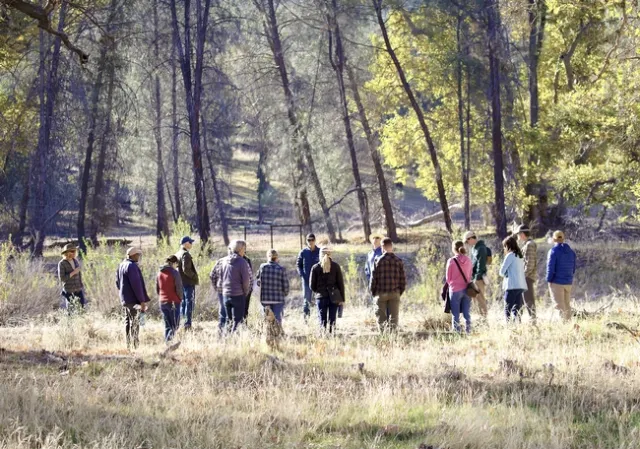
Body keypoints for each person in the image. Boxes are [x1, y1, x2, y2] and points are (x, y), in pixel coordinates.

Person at [116, 247, 151, 349]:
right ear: (133, 255)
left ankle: (128, 345)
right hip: (133, 300)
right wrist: (142, 301)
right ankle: (135, 345)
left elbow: (117, 282)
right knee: (135, 321)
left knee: (128, 322)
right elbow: (137, 285)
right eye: (138, 255)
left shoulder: (121, 265)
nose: (139, 257)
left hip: (125, 300)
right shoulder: (132, 266)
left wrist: (123, 293)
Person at [369, 237, 406, 331]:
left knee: (381, 320)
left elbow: (373, 279)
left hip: (381, 293)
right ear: (391, 246)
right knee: (394, 320)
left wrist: (373, 292)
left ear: (382, 247)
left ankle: (384, 339)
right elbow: (402, 280)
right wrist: (399, 292)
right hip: (394, 293)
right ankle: (393, 340)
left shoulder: (378, 260)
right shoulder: (399, 261)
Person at [309, 247, 345, 333]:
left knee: (322, 320)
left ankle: (323, 338)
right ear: (330, 254)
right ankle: (332, 337)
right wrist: (342, 299)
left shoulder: (315, 267)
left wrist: (318, 292)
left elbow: (311, 285)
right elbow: (340, 284)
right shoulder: (336, 266)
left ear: (320, 255)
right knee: (332, 320)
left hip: (321, 297)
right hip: (334, 297)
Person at [220, 240, 253, 331]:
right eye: (244, 249)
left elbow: (221, 277)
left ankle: (226, 338)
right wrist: (245, 293)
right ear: (240, 249)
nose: (245, 251)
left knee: (228, 320)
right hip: (238, 295)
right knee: (238, 320)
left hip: (226, 294)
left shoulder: (224, 260)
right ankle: (233, 339)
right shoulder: (242, 262)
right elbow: (246, 281)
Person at [546, 230, 577, 322]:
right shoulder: (571, 252)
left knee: (559, 306)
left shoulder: (553, 251)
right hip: (568, 282)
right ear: (563, 239)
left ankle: (562, 328)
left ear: (554, 239)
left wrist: (549, 280)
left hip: (557, 282)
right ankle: (569, 325)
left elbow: (550, 268)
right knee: (567, 305)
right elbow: (574, 268)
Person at [445, 240, 473, 334]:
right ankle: (468, 331)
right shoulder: (468, 260)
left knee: (455, 314)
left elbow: (448, 279)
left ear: (454, 249)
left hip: (455, 290)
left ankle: (457, 333)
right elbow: (470, 275)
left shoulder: (451, 261)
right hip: (467, 290)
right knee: (466, 313)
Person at [256, 249, 290, 324]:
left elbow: (258, 281)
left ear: (268, 257)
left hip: (265, 299)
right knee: (277, 319)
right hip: (278, 299)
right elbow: (286, 286)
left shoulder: (262, 267)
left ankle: (267, 334)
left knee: (267, 319)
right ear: (277, 258)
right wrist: (285, 294)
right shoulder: (281, 269)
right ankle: (277, 334)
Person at [499, 236, 528, 322]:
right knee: (517, 309)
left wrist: (507, 273)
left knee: (507, 308)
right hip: (520, 285)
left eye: (504, 246)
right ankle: (517, 325)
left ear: (508, 246)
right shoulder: (519, 256)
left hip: (511, 286)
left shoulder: (510, 256)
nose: (504, 248)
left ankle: (508, 326)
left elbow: (501, 271)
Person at [156, 255, 183, 343]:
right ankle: (168, 342)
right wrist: (181, 298)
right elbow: (179, 288)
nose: (177, 266)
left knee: (168, 325)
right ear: (173, 263)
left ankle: (167, 343)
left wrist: (162, 297)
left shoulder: (159, 272)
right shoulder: (175, 273)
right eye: (177, 264)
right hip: (173, 301)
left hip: (162, 301)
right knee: (175, 325)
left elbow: (157, 288)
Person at [463, 231, 489, 319]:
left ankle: (484, 319)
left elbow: (481, 265)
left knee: (480, 298)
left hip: (479, 278)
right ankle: (481, 318)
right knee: (476, 300)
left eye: (467, 241)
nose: (467, 243)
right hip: (475, 277)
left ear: (471, 238)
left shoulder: (481, 248)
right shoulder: (475, 248)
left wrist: (476, 278)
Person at [176, 236, 199, 330]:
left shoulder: (177, 253)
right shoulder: (185, 254)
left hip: (180, 282)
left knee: (183, 303)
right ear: (186, 244)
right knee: (189, 303)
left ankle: (183, 322)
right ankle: (187, 324)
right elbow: (186, 270)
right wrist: (194, 276)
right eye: (190, 242)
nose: (192, 244)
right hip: (188, 282)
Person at [517, 225, 537, 323]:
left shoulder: (529, 245)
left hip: (527, 277)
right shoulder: (527, 244)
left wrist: (523, 276)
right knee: (523, 300)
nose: (518, 237)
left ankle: (533, 320)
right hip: (525, 277)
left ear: (523, 234)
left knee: (529, 300)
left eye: (519, 234)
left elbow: (530, 263)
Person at [296, 233, 320, 319]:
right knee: (307, 301)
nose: (310, 242)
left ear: (315, 240)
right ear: (306, 241)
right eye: (308, 240)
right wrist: (302, 275)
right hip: (306, 281)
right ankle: (306, 320)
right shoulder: (303, 252)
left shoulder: (319, 251)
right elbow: (298, 265)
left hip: (318, 281)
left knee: (319, 300)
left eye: (312, 240)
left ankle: (320, 319)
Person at [57, 243, 86, 312]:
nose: (74, 253)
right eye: (72, 251)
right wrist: (73, 273)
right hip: (69, 291)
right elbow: (62, 278)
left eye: (75, 251)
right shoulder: (62, 263)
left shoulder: (75, 261)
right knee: (71, 311)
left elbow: (79, 274)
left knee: (81, 309)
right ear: (66, 253)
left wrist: (81, 285)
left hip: (78, 289)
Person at [209, 255, 226, 331]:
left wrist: (216, 287)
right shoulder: (240, 261)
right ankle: (227, 330)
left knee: (223, 310)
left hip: (221, 289)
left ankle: (221, 330)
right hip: (235, 291)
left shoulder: (220, 261)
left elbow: (212, 275)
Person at [243, 253, 254, 322]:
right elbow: (250, 276)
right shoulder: (247, 260)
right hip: (246, 288)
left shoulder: (247, 260)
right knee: (245, 309)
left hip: (245, 288)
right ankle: (244, 324)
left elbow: (250, 275)